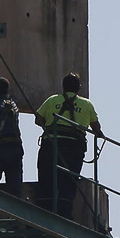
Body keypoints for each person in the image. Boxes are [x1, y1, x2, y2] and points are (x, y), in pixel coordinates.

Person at [35, 72, 103, 219]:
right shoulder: (86, 104)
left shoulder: (52, 100)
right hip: (73, 147)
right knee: (69, 181)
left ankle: (44, 213)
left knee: (47, 178)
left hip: (51, 145)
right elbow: (96, 127)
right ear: (79, 88)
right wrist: (100, 135)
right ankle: (65, 214)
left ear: (63, 87)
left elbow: (38, 119)